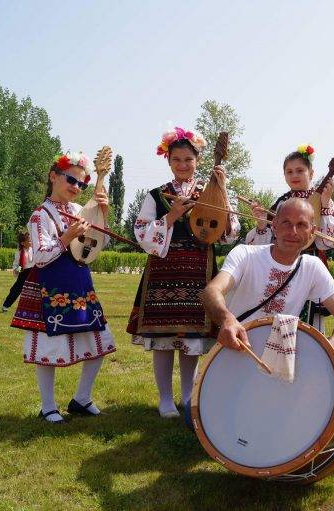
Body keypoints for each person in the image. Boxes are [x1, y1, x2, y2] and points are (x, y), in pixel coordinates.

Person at [202, 198, 334, 388]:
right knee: (193, 415)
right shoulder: (245, 254)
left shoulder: (312, 267)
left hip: (284, 357)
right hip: (240, 351)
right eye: (286, 223)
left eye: (301, 225)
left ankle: (330, 408)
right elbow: (212, 291)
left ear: (312, 231)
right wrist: (227, 319)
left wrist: (330, 349)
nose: (293, 231)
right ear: (274, 226)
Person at [126, 127, 240, 418]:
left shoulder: (212, 189)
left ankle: (189, 396)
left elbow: (229, 233)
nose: (182, 165)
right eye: (176, 159)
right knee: (163, 338)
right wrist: (172, 215)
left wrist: (223, 189)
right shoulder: (156, 195)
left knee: (191, 340)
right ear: (168, 161)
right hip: (163, 273)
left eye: (188, 159)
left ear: (198, 160)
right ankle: (165, 399)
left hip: (199, 273)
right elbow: (141, 234)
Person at [10, 151, 116, 423]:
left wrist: (102, 215)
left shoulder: (81, 211)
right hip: (50, 286)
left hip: (79, 283)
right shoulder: (39, 215)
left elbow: (93, 247)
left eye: (82, 184)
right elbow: (41, 257)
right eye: (71, 180)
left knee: (100, 341)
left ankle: (81, 399)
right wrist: (67, 235)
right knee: (47, 349)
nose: (76, 187)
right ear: (53, 176)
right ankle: (48, 406)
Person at [244, 145, 334, 331]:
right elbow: (265, 243)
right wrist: (262, 224)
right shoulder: (281, 203)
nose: (294, 175)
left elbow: (327, 242)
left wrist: (326, 205)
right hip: (282, 266)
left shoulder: (324, 200)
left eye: (300, 170)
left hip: (311, 264)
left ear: (311, 173)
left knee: (312, 327)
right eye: (289, 171)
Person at [1, 231, 33, 311]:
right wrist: (20, 269)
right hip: (24, 273)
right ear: (23, 243)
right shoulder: (19, 253)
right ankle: (6, 305)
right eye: (29, 240)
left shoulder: (33, 250)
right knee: (15, 289)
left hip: (33, 271)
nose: (31, 241)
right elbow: (16, 267)